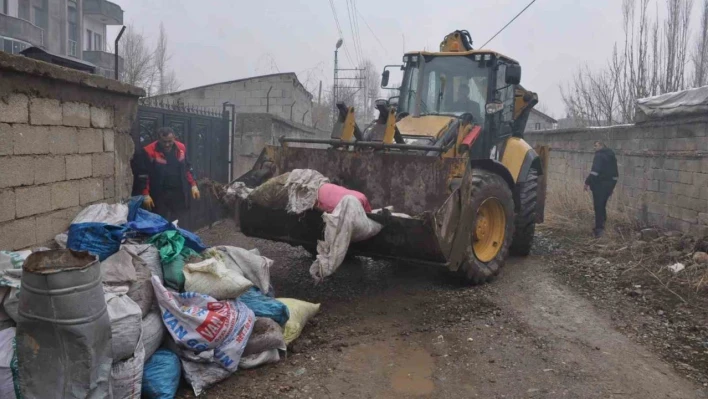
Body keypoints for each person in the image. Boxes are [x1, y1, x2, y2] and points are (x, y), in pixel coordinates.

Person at [139, 127, 200, 221]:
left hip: (178, 192)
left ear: (174, 138)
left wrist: (193, 185)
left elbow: (187, 168)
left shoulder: (181, 148)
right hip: (159, 193)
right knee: (160, 221)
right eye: (164, 141)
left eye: (170, 141)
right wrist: (145, 194)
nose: (167, 145)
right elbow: (143, 174)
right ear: (158, 139)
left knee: (180, 220)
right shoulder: (149, 151)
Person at [584, 140, 618, 238]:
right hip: (609, 185)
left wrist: (587, 182)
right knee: (603, 205)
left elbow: (595, 172)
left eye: (596, 145)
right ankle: (603, 226)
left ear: (602, 145)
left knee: (598, 206)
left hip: (599, 185)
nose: (595, 147)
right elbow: (616, 175)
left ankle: (599, 230)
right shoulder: (612, 155)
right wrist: (612, 187)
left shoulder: (599, 155)